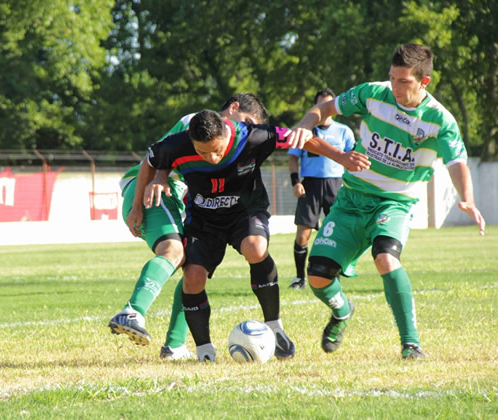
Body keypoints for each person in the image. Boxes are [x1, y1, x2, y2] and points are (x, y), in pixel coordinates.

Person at [290, 43, 486, 360]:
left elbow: (457, 163)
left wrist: (468, 200)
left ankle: (411, 345)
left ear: (424, 82)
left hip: (394, 203)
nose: (395, 87)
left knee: (386, 258)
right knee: (318, 275)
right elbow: (326, 109)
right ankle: (342, 311)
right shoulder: (372, 93)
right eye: (392, 78)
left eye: (403, 81)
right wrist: (303, 124)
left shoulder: (439, 120)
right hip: (351, 199)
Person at [143, 109, 370, 362]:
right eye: (202, 152)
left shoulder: (253, 137)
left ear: (226, 134)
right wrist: (156, 182)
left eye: (217, 150)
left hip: (246, 212)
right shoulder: (178, 143)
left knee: (256, 247)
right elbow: (154, 159)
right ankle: (204, 351)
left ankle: (274, 325)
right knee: (193, 277)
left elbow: (300, 139)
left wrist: (341, 156)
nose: (212, 158)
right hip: (204, 220)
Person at [109, 93, 271, 360]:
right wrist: (138, 203)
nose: (249, 130)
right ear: (233, 109)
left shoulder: (228, 147)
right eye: (247, 121)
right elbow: (157, 159)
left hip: (175, 194)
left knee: (194, 268)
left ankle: (174, 346)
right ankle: (132, 312)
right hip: (152, 189)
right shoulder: (199, 123)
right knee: (173, 250)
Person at [288, 88, 356, 289]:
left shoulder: (344, 131)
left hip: (336, 184)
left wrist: (353, 183)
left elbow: (353, 156)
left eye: (328, 104)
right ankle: (300, 278)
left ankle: (335, 276)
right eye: (320, 105)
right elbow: (293, 157)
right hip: (310, 185)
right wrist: (295, 181)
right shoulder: (305, 131)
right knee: (303, 235)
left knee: (337, 234)